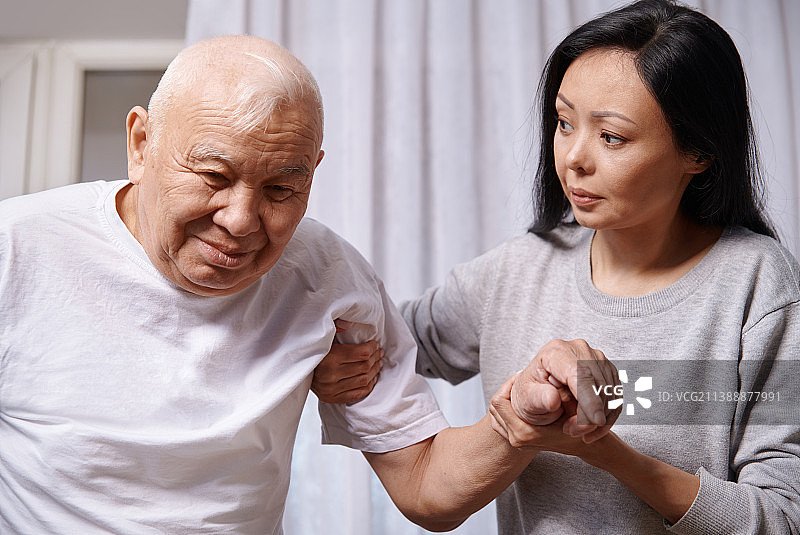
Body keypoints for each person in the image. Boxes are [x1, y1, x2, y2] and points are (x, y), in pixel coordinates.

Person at [0, 35, 621, 534]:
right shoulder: (18, 248)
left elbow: (427, 489)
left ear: (312, 172)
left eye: (281, 189)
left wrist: (516, 422)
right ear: (141, 144)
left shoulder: (328, 278)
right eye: (213, 175)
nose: (242, 222)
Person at [313, 0, 800, 533]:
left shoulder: (757, 285)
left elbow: (782, 518)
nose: (573, 158)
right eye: (565, 123)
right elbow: (395, 340)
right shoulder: (518, 270)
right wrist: (328, 358)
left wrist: (606, 452)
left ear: (699, 151)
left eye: (611, 136)